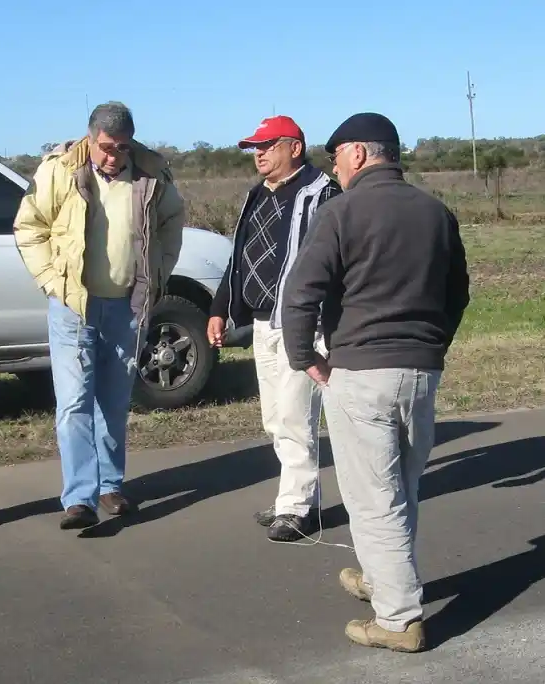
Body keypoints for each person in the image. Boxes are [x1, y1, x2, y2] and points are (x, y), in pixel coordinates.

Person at [279, 112, 470, 652]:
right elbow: (458, 294)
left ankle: (398, 619)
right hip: (419, 371)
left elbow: (301, 294)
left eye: (336, 156)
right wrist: (431, 347)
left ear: (359, 154)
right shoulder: (437, 212)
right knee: (401, 487)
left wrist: (304, 359)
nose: (333, 168)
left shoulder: (341, 212)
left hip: (361, 371)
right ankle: (381, 578)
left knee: (372, 500)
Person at [13, 101, 185, 531]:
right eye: (106, 147)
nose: (113, 156)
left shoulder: (150, 172)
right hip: (74, 305)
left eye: (122, 148)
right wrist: (53, 281)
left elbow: (171, 223)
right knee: (74, 404)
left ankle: (110, 486)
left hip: (127, 306)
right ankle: (79, 497)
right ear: (90, 138)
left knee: (113, 401)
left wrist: (159, 271)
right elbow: (29, 227)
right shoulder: (58, 169)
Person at [206, 115, 342, 543]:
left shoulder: (323, 193)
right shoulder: (256, 195)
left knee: (295, 413)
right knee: (274, 417)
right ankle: (294, 495)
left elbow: (335, 259)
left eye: (267, 145)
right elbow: (239, 258)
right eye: (254, 148)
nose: (259, 154)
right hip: (263, 321)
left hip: (303, 321)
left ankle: (298, 507)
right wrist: (220, 308)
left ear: (294, 148)